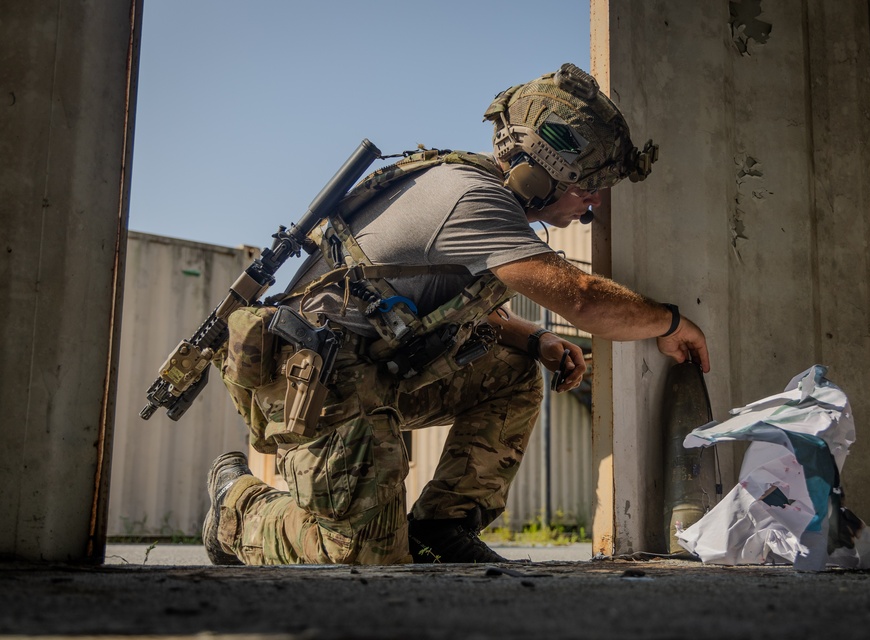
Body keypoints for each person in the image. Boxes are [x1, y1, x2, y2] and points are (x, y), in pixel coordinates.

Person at [202, 63, 711, 566]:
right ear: (540, 174)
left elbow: (429, 308)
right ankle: (237, 507)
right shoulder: (473, 198)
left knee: (511, 369)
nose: (594, 204)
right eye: (588, 186)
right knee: (360, 555)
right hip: (316, 381)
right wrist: (671, 323)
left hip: (370, 368)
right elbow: (582, 300)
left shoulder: (477, 194)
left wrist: (535, 339)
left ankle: (441, 527)